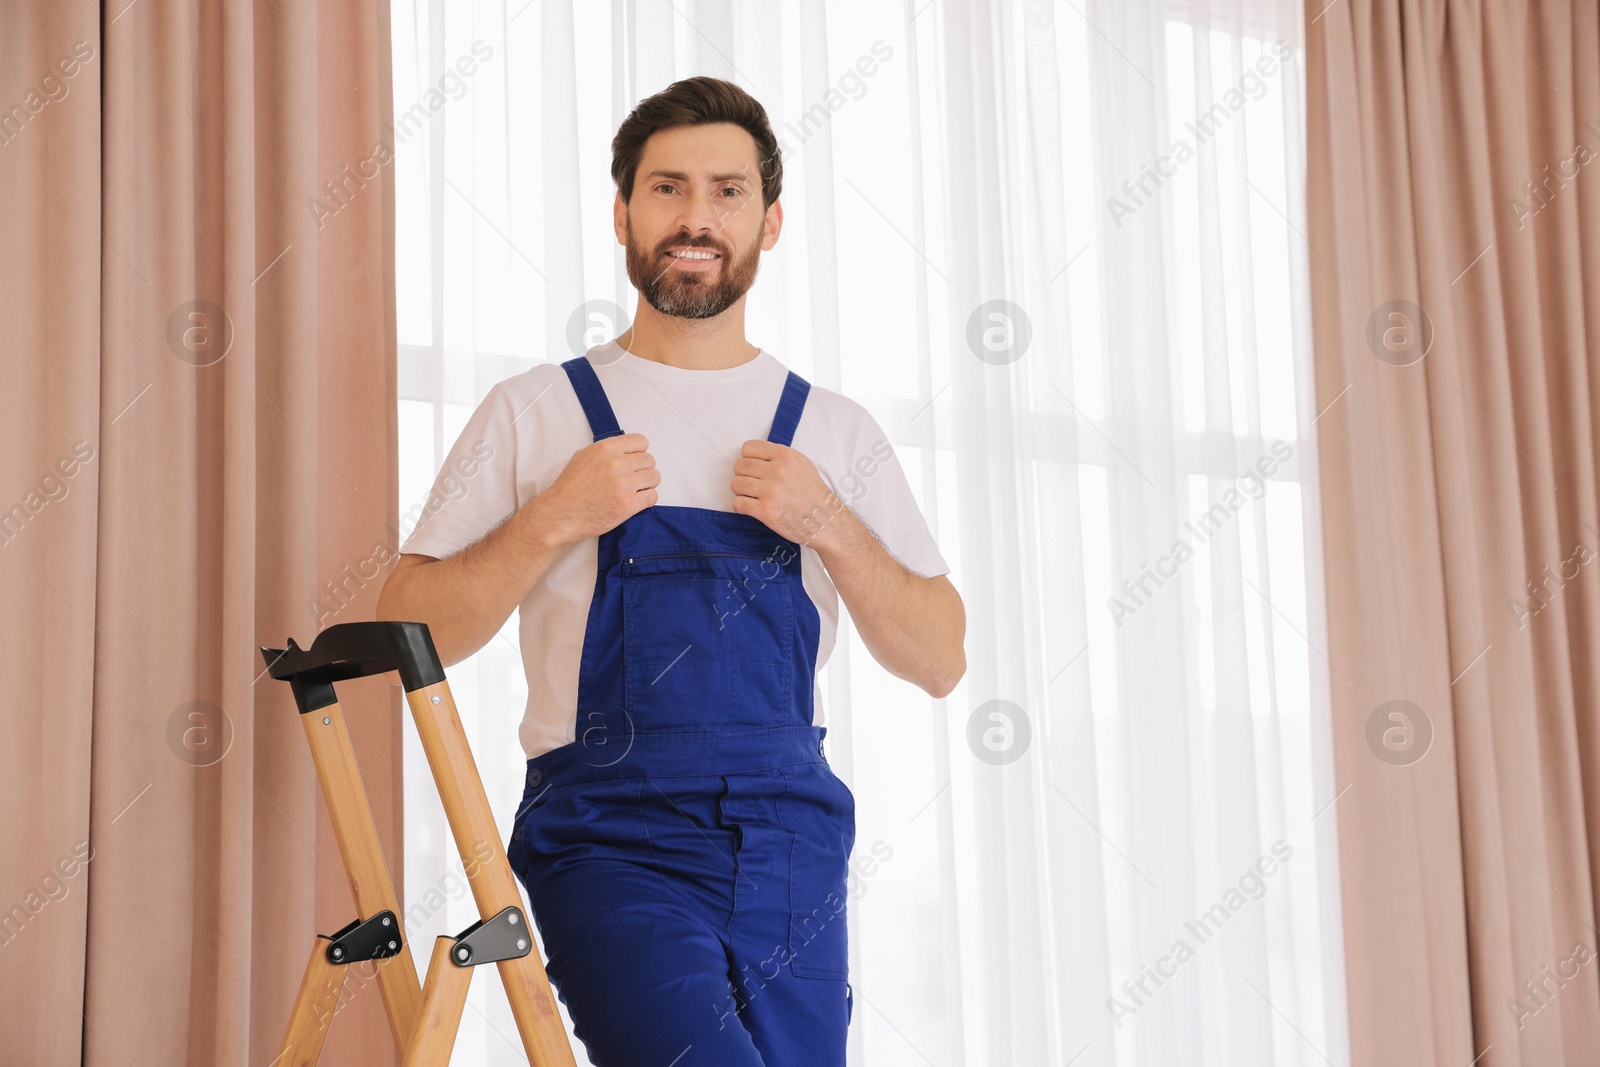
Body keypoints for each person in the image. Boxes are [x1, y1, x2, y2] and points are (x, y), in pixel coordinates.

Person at [377, 74, 965, 1066]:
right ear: (622, 211)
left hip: (791, 842)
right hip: (611, 838)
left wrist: (827, 520)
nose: (697, 217)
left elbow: (941, 655)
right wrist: (555, 515)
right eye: (668, 188)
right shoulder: (534, 412)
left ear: (770, 222)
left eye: (728, 191)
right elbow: (407, 628)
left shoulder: (835, 430)